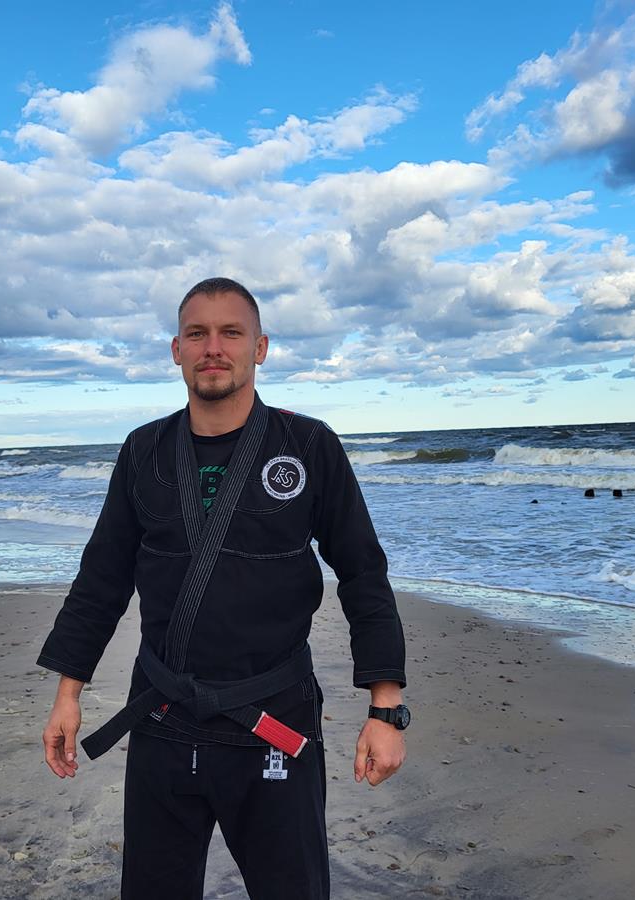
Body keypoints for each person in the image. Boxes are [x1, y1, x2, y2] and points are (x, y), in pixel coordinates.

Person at [38, 277, 409, 899]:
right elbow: (101, 579)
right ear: (176, 350)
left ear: (259, 348)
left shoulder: (308, 446)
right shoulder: (144, 451)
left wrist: (386, 709)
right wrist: (67, 694)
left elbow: (363, 573)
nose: (214, 347)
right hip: (161, 713)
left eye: (231, 333)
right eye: (197, 334)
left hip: (273, 718)